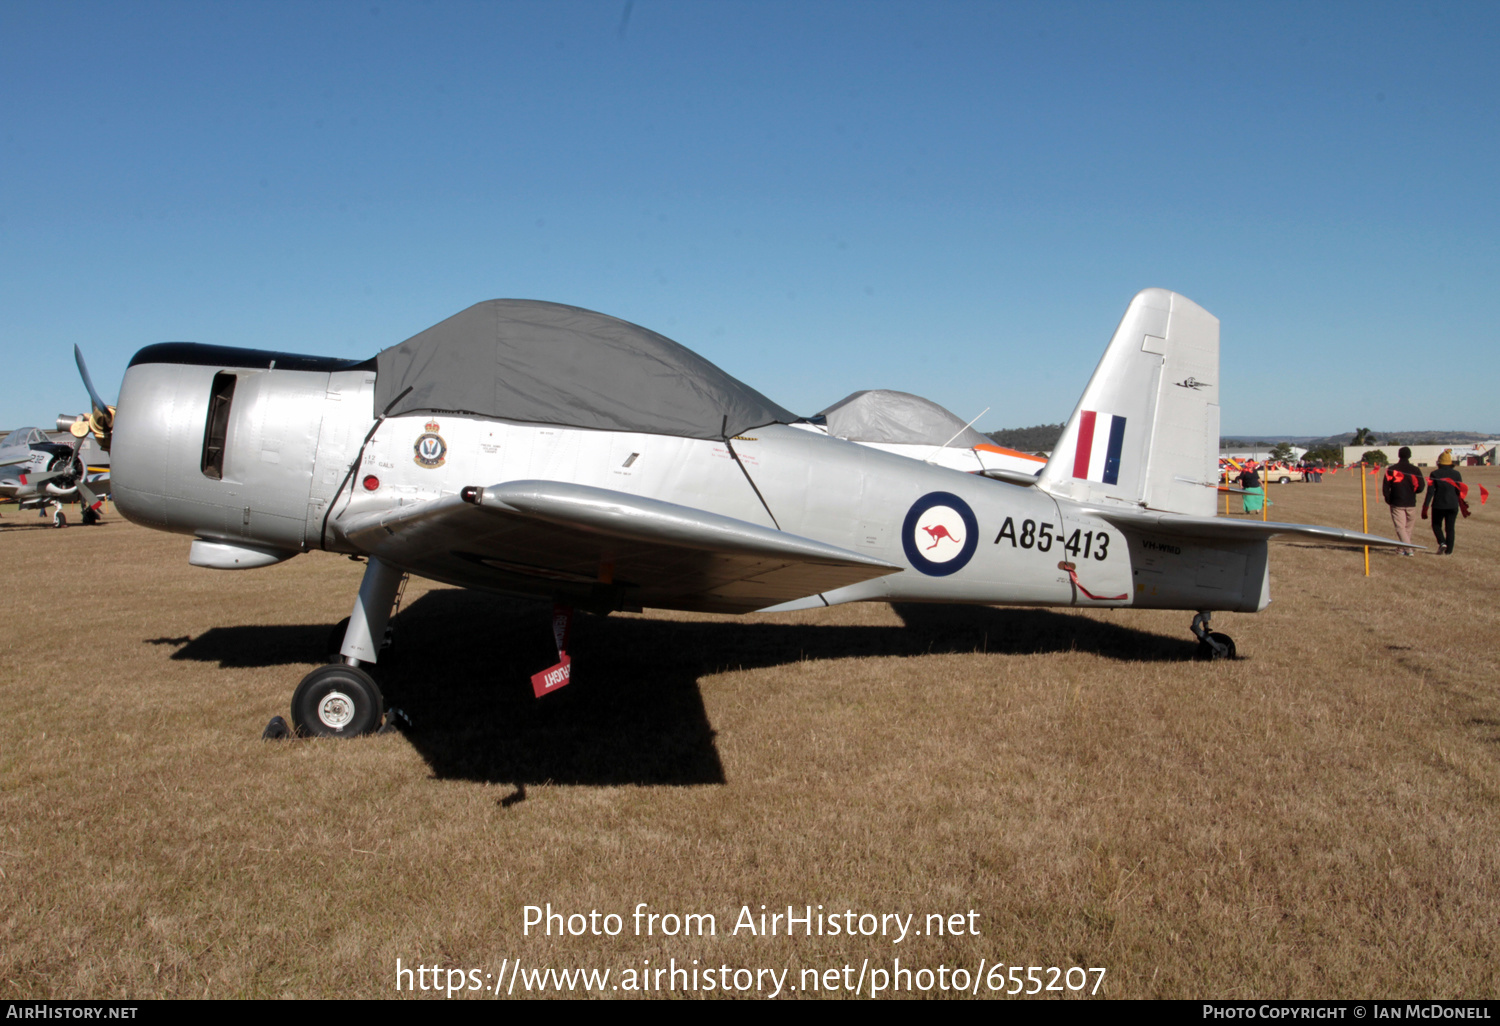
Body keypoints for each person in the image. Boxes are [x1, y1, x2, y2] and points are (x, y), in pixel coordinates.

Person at [1381, 446, 1424, 556]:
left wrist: (1388, 498)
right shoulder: (1415, 470)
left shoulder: (1391, 469)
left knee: (1401, 528)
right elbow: (1421, 486)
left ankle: (1408, 550)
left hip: (1397, 501)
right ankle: (1401, 550)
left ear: (1399, 455)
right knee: (1407, 528)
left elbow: (1386, 486)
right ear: (1410, 456)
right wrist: (1414, 492)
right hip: (1411, 502)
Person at [1423, 449, 1463, 554]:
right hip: (1453, 504)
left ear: (1439, 463)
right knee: (1450, 528)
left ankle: (1442, 542)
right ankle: (1449, 551)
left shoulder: (1434, 474)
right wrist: (1462, 505)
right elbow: (1460, 491)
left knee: (1436, 525)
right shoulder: (1456, 474)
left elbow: (1430, 492)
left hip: (1438, 505)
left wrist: (1425, 507)